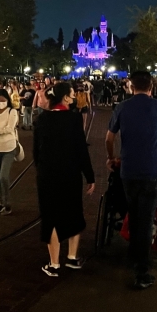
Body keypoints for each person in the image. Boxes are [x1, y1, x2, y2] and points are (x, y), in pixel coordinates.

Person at [105, 71, 157, 289]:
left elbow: (109, 138)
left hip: (129, 170)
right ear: (151, 87)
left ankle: (134, 254)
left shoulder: (122, 107)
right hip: (151, 170)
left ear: (131, 87)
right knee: (146, 218)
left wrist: (112, 158)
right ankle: (142, 269)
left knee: (133, 213)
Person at [34, 81, 95, 276]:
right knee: (73, 211)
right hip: (70, 173)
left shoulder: (42, 119)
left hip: (48, 175)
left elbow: (36, 151)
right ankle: (72, 256)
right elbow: (81, 150)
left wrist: (41, 169)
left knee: (50, 215)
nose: (74, 96)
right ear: (66, 98)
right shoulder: (74, 119)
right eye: (72, 94)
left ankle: (54, 263)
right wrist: (90, 176)